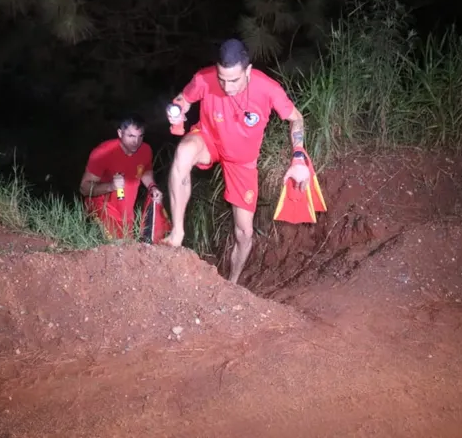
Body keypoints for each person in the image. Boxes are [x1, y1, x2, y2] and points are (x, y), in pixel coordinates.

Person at [162, 38, 311, 284]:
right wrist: (177, 108)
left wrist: (298, 157)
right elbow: (183, 100)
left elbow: (296, 118)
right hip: (209, 140)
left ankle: (231, 283)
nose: (227, 86)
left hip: (242, 162)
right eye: (222, 79)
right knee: (183, 153)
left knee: (244, 233)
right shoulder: (204, 79)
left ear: (248, 71)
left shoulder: (267, 88)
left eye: (234, 80)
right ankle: (177, 232)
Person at [79, 114, 163, 240]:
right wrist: (110, 186)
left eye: (140, 137)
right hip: (101, 208)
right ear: (120, 133)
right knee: (115, 246)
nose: (136, 142)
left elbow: (145, 171)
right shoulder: (103, 152)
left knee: (129, 248)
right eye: (131, 136)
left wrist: (152, 187)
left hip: (126, 214)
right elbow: (84, 188)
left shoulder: (145, 150)